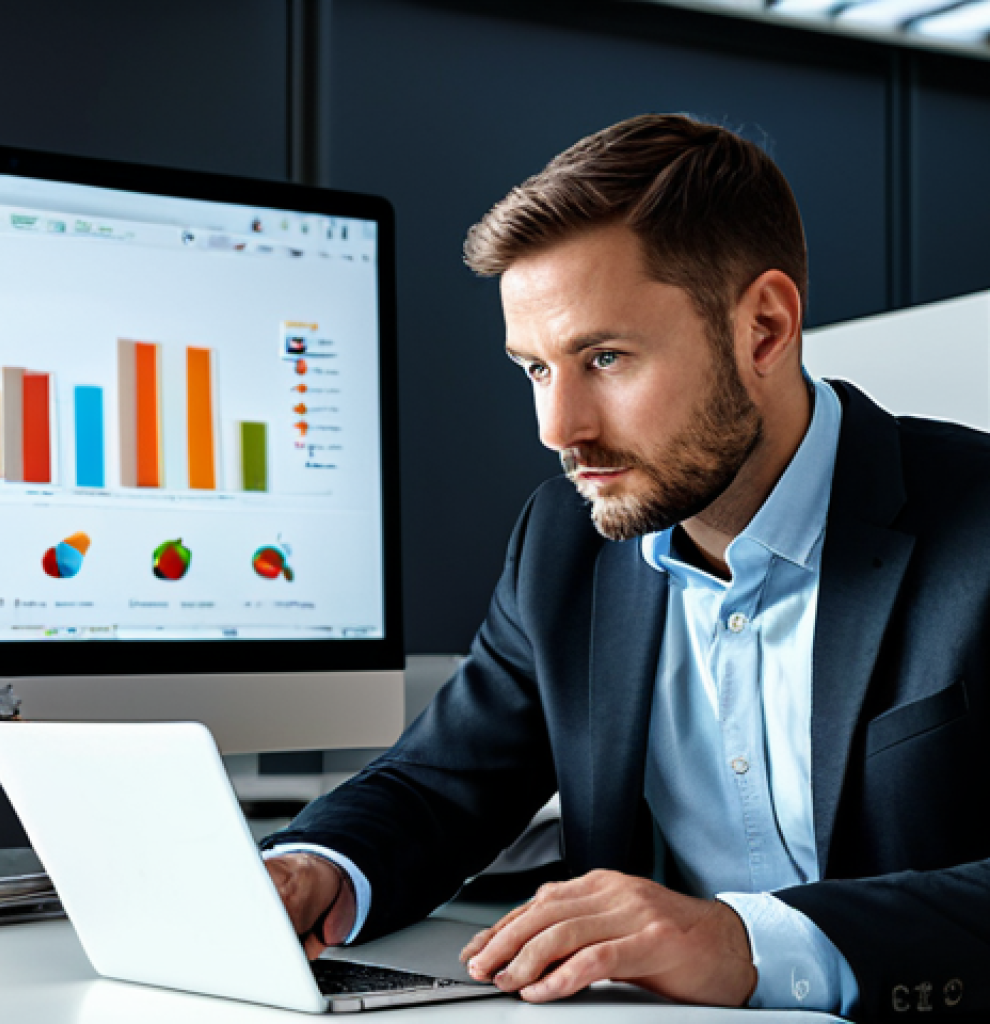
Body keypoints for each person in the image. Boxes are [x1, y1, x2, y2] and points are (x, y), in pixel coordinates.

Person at [261, 114, 990, 1021]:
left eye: (604, 358)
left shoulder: (978, 528)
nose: (558, 429)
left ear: (764, 328)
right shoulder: (566, 546)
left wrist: (745, 941)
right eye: (534, 370)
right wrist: (308, 869)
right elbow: (440, 783)